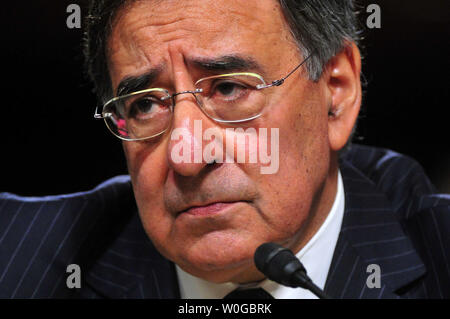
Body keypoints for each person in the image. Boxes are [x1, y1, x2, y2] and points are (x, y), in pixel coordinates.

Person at [0, 0, 449, 299]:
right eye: (145, 104)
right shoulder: (16, 256)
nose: (188, 155)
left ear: (336, 93)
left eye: (230, 88)